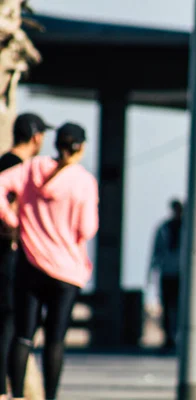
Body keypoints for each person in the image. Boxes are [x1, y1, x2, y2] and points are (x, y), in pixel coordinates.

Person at [0, 122, 98, 400]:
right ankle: (51, 397)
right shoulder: (84, 181)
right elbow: (87, 229)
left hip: (30, 264)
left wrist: (12, 220)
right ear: (82, 147)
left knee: (23, 335)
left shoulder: (33, 168)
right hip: (67, 272)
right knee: (55, 340)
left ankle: (17, 395)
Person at [0, 113, 52, 400]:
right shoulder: (21, 170)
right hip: (9, 255)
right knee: (10, 324)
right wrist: (14, 223)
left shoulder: (2, 162)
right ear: (36, 137)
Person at [148, 199, 184, 351]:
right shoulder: (164, 228)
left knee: (178, 306)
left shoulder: (186, 228)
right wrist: (151, 272)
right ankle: (168, 336)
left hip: (180, 273)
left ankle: (175, 335)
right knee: (167, 306)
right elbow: (156, 251)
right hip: (167, 272)